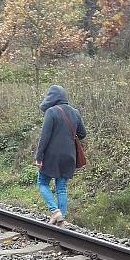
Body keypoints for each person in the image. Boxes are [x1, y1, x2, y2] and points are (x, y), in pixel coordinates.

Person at [34, 85, 87, 224]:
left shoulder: (51, 112)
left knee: (42, 182)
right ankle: (61, 219)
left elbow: (44, 137)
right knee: (61, 188)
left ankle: (55, 211)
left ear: (52, 97)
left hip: (52, 156)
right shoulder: (75, 112)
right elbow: (82, 134)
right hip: (69, 156)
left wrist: (39, 157)